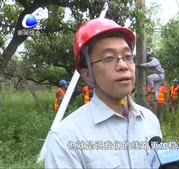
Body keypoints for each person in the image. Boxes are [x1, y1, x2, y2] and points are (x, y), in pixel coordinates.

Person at [44, 18, 162, 168]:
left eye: (127, 57)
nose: (123, 65)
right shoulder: (65, 139)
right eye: (109, 58)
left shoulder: (150, 121)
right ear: (87, 75)